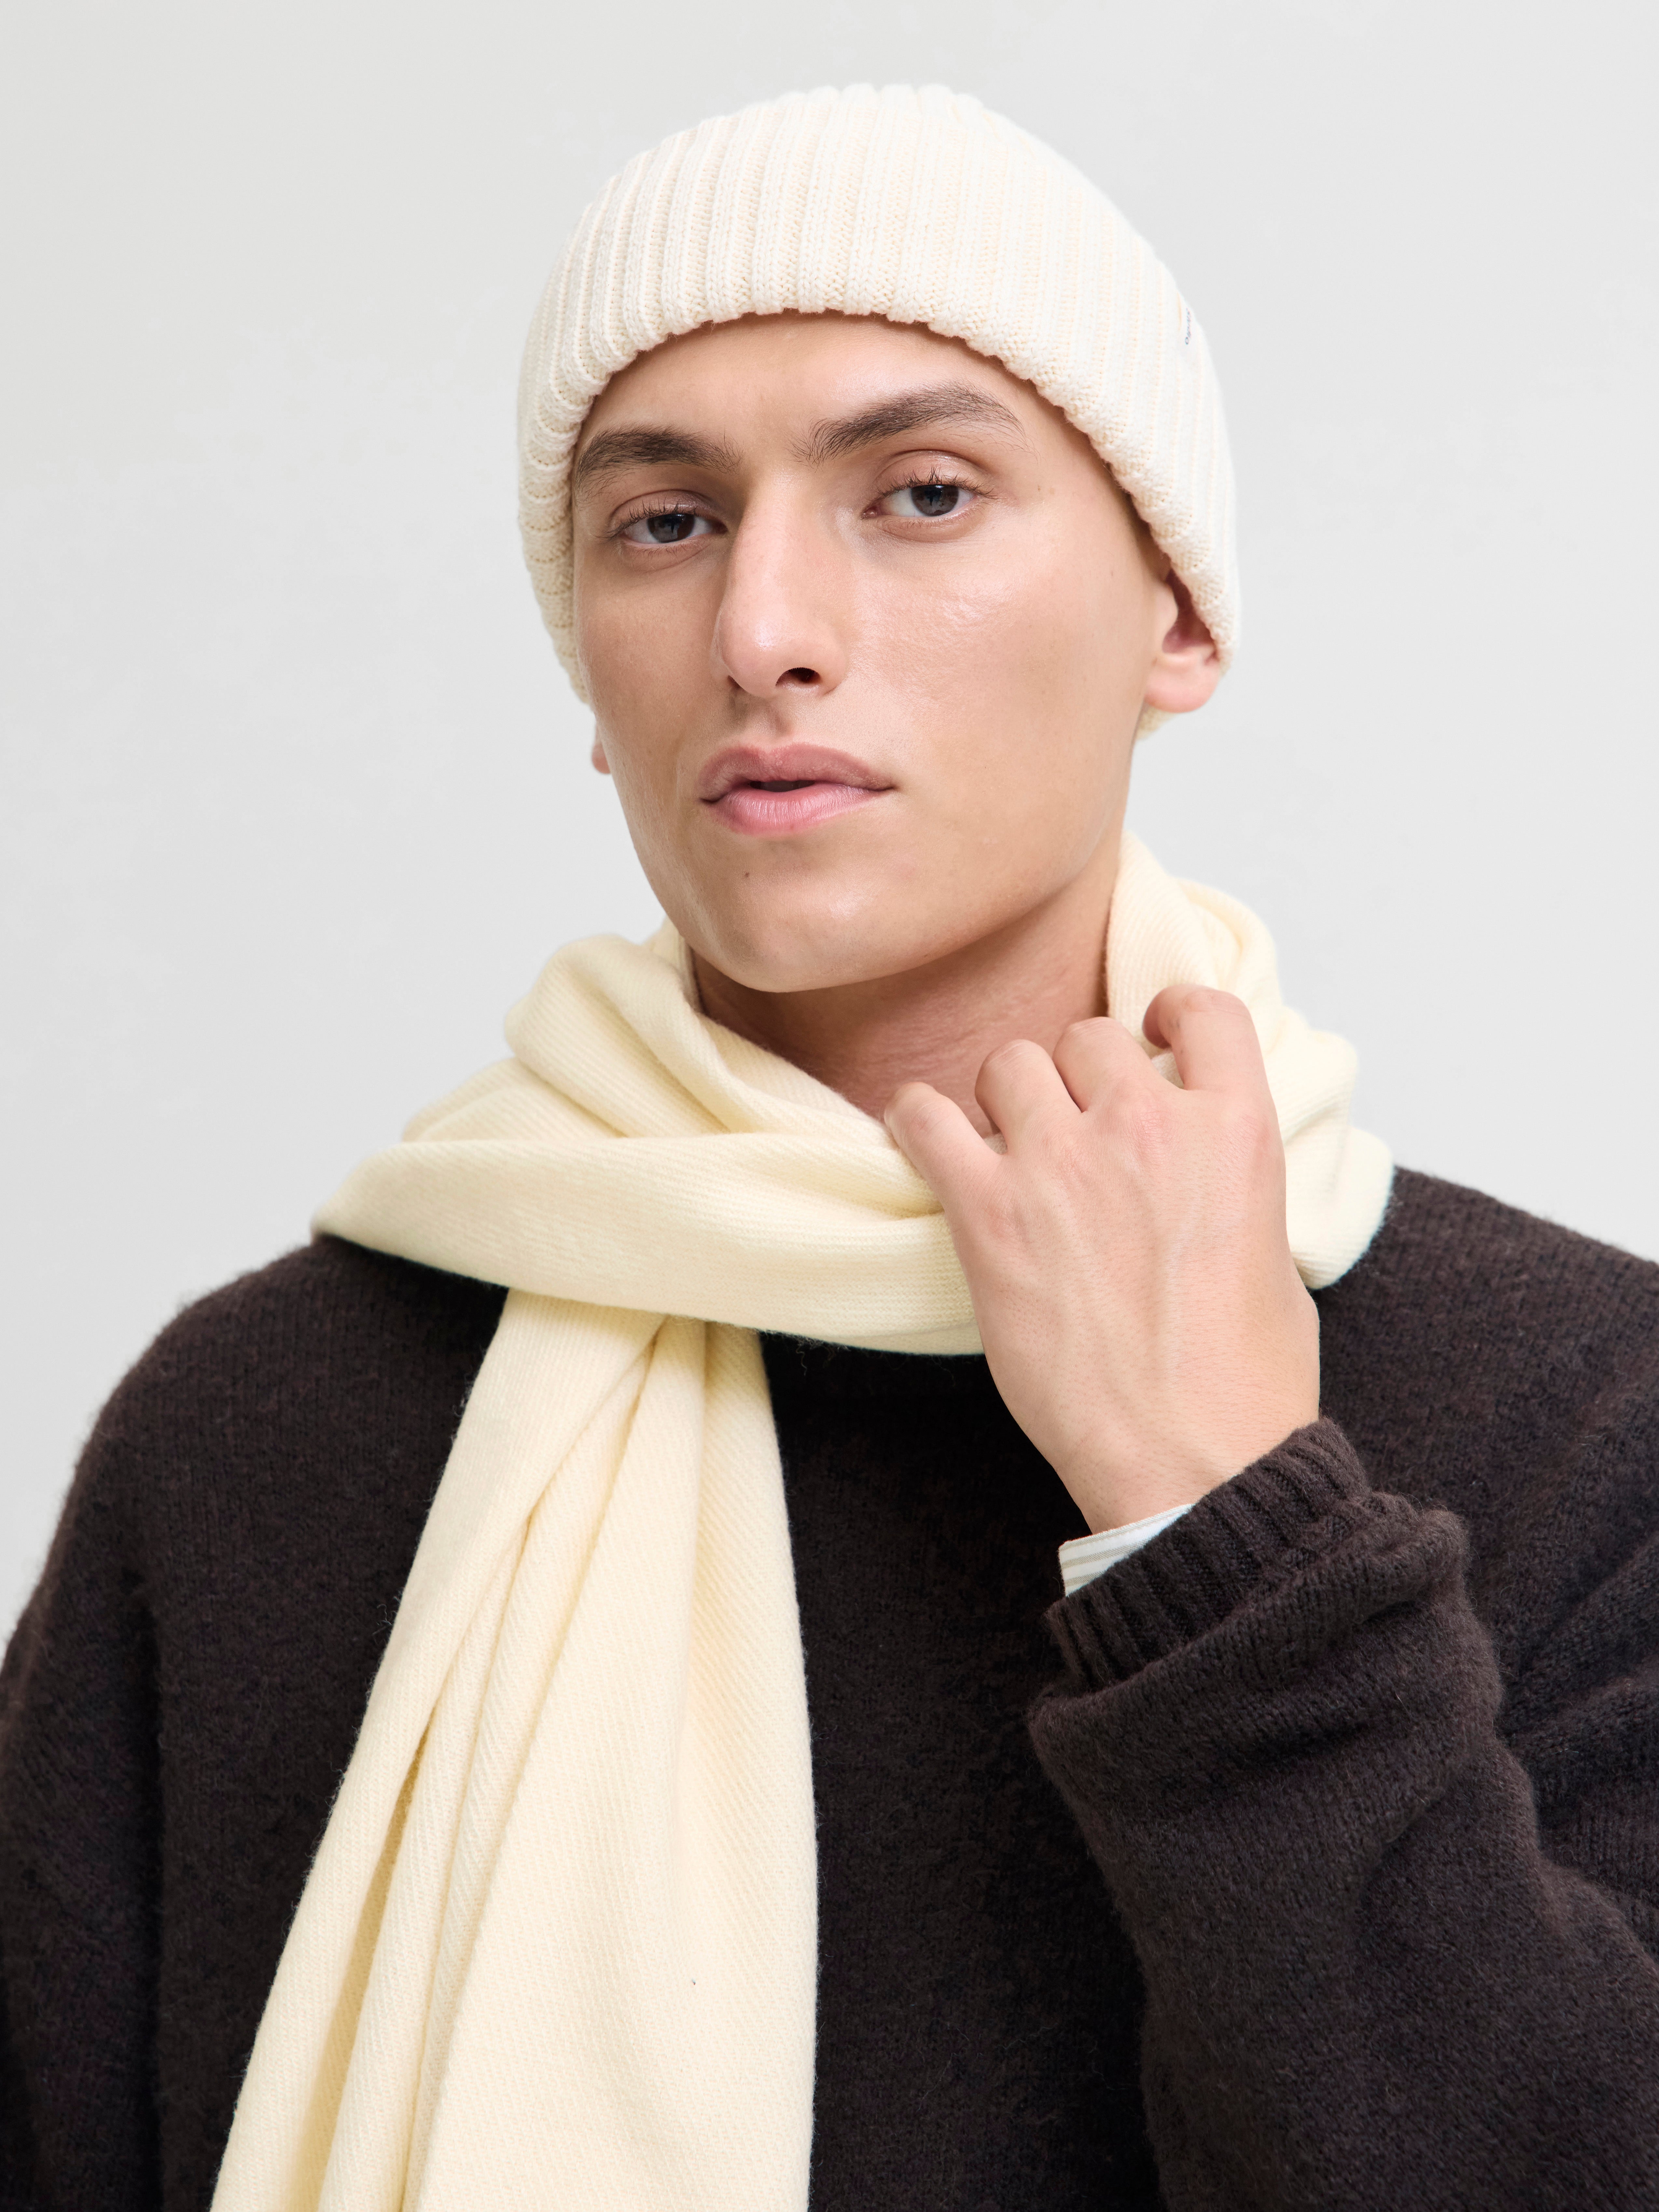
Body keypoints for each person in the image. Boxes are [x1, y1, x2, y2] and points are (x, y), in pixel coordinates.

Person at [3, 83, 1656, 2212]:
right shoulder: (260, 1440)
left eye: (924, 494)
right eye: (663, 523)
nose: (762, 629)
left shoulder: (1583, 1418)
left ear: (1178, 614)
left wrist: (1223, 1526)